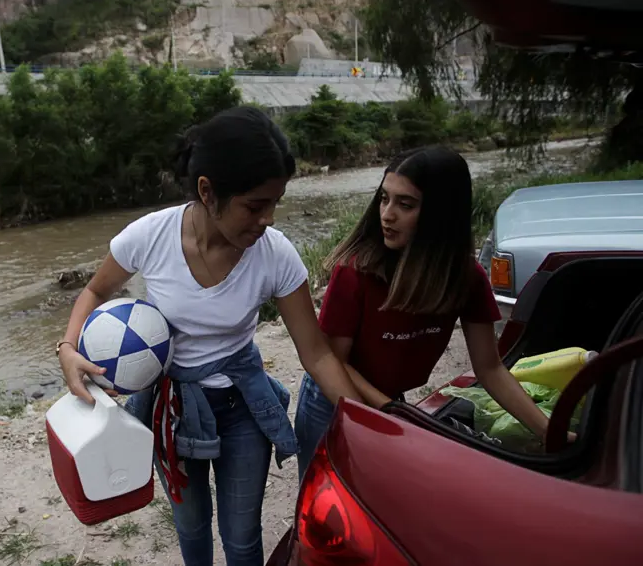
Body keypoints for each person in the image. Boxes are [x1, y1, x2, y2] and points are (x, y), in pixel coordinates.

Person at [57, 106, 362, 566]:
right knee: (192, 527)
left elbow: (317, 355)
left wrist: (365, 420)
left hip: (243, 409)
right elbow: (96, 290)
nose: (268, 219)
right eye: (255, 206)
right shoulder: (151, 236)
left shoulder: (275, 255)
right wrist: (68, 347)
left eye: (275, 203)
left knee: (242, 539)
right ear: (207, 191)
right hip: (172, 410)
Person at [294, 146, 555, 480]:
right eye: (384, 199)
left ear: (440, 213)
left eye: (405, 204)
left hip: (389, 402)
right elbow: (334, 361)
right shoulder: (356, 271)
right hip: (331, 400)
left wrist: (548, 431)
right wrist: (391, 410)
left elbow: (490, 369)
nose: (387, 215)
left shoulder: (466, 279)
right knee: (326, 494)